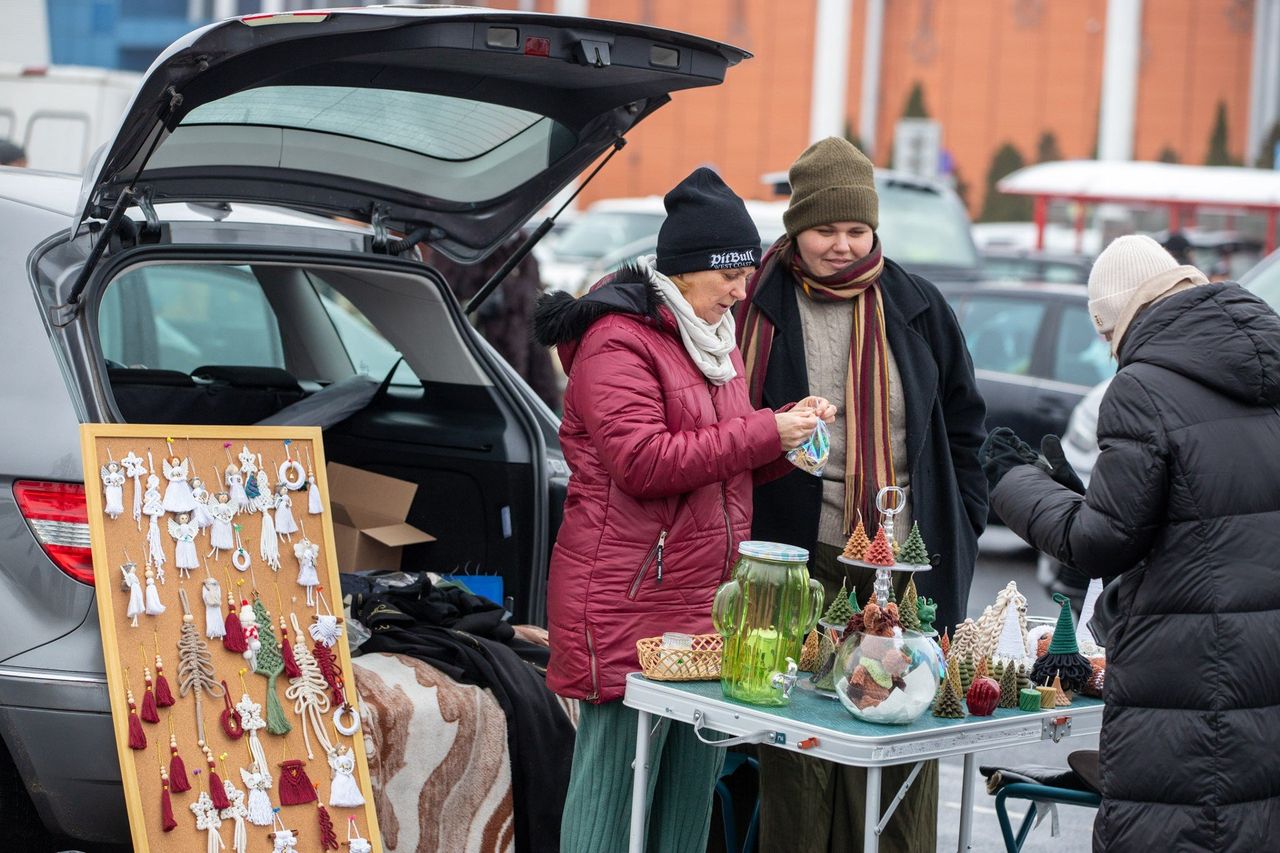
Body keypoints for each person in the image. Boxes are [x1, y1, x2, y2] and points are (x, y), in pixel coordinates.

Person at [534, 167, 835, 853]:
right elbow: (644, 462)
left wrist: (787, 434)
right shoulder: (618, 341)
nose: (741, 290)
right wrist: (763, 431)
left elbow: (719, 458)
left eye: (745, 274)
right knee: (611, 795)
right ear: (688, 269)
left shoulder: (714, 341)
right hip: (626, 599)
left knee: (687, 797)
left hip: (703, 599)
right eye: (730, 275)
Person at [982, 235, 1280, 852]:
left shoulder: (1143, 387)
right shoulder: (1267, 368)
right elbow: (1190, 519)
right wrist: (1075, 494)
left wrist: (1013, 484)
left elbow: (1101, 543)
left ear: (1113, 321)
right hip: (1263, 673)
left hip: (1184, 685)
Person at [736, 136, 988, 852]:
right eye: (825, 230)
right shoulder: (756, 301)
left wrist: (962, 524)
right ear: (795, 227)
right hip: (799, 557)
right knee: (803, 747)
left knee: (900, 738)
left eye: (856, 229)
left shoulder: (918, 305)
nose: (841, 245)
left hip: (902, 567)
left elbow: (966, 427)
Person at [427, 229, 560, 410]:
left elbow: (531, 320)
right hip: (475, 362)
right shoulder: (458, 253)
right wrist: (472, 306)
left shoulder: (524, 253)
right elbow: (438, 303)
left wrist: (546, 395)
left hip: (519, 368)